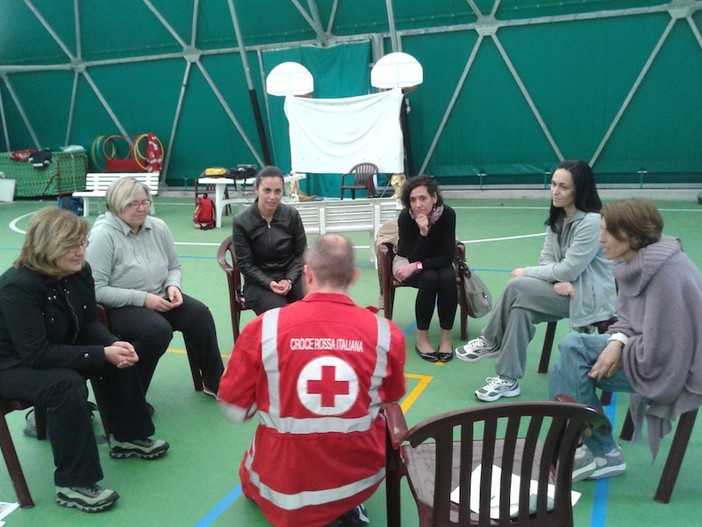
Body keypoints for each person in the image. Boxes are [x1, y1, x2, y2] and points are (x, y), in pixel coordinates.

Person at [218, 234, 406, 527]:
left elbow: (234, 409)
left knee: (254, 466)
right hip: (358, 475)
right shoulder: (386, 333)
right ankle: (346, 504)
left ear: (307, 273)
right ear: (354, 276)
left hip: (284, 486)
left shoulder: (263, 329)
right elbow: (392, 399)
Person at [0, 208, 169, 513]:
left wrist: (112, 344)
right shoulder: (17, 286)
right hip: (11, 365)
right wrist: (99, 353)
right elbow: (35, 354)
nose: (80, 251)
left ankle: (127, 437)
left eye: (82, 243)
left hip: (50, 348)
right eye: (70, 245)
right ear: (46, 246)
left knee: (119, 355)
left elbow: (89, 322)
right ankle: (72, 484)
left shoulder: (79, 271)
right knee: (66, 384)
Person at [550, 199, 702, 481]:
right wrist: (616, 341)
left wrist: (622, 347)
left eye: (608, 231)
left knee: (574, 366)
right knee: (572, 352)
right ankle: (592, 443)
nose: (600, 238)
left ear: (634, 236)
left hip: (674, 368)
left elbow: (668, 350)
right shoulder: (636, 263)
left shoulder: (666, 274)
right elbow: (630, 319)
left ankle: (601, 449)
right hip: (646, 348)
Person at [455, 160, 617, 402]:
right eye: (553, 184)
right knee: (520, 310)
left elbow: (569, 269)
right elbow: (548, 262)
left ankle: (489, 340)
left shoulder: (591, 223)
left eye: (563, 187)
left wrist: (530, 272)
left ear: (579, 190)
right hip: (562, 292)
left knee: (517, 285)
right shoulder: (557, 218)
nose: (555, 191)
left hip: (589, 299)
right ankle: (508, 380)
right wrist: (556, 281)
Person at [86, 177, 224, 399]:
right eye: (134, 204)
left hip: (160, 298)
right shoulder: (104, 236)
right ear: (116, 205)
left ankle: (216, 383)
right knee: (157, 331)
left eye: (145, 202)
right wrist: (143, 299)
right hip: (119, 307)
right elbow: (96, 290)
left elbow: (174, 267)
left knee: (199, 314)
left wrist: (173, 285)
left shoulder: (158, 227)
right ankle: (130, 398)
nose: (141, 209)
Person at [393, 175, 457, 362]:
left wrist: (420, 265)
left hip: (438, 262)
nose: (418, 204)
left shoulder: (448, 215)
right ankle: (422, 338)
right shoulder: (406, 217)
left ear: (434, 198)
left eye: (423, 198)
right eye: (413, 200)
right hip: (407, 261)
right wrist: (423, 232)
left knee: (447, 276)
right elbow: (413, 258)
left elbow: (447, 257)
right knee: (429, 278)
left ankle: (446, 338)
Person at [232, 165, 307, 315]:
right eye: (267, 190)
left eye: (277, 191)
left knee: (311, 303)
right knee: (280, 313)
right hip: (258, 283)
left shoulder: (291, 215)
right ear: (256, 189)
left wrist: (289, 280)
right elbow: (246, 265)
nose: (272, 197)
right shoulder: (241, 222)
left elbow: (301, 254)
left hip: (292, 276)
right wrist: (269, 283)